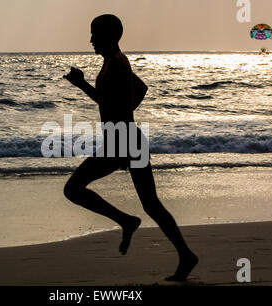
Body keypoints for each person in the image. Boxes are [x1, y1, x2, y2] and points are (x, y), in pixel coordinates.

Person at [63, 14, 198, 281]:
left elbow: (109, 102)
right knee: (151, 204)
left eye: (95, 34)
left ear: (109, 36)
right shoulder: (114, 62)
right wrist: (124, 113)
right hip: (128, 138)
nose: (90, 40)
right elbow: (141, 89)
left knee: (73, 189)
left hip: (121, 141)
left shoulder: (116, 64)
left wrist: (82, 86)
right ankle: (186, 255)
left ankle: (126, 221)